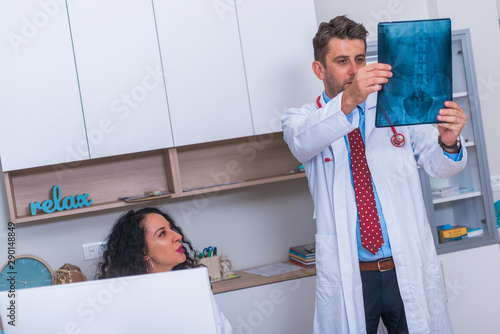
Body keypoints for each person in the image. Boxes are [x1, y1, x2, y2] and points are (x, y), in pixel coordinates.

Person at [281, 15, 466, 334]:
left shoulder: (395, 108)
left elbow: (441, 166)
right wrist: (349, 100)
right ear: (319, 70)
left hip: (403, 266)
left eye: (360, 59)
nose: (354, 70)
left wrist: (448, 142)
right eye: (342, 61)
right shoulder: (302, 119)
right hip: (353, 273)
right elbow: (302, 142)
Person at [96, 207, 232, 334]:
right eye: (162, 234)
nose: (178, 236)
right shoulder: (127, 303)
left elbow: (224, 329)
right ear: (143, 253)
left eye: (171, 228)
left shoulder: (195, 284)